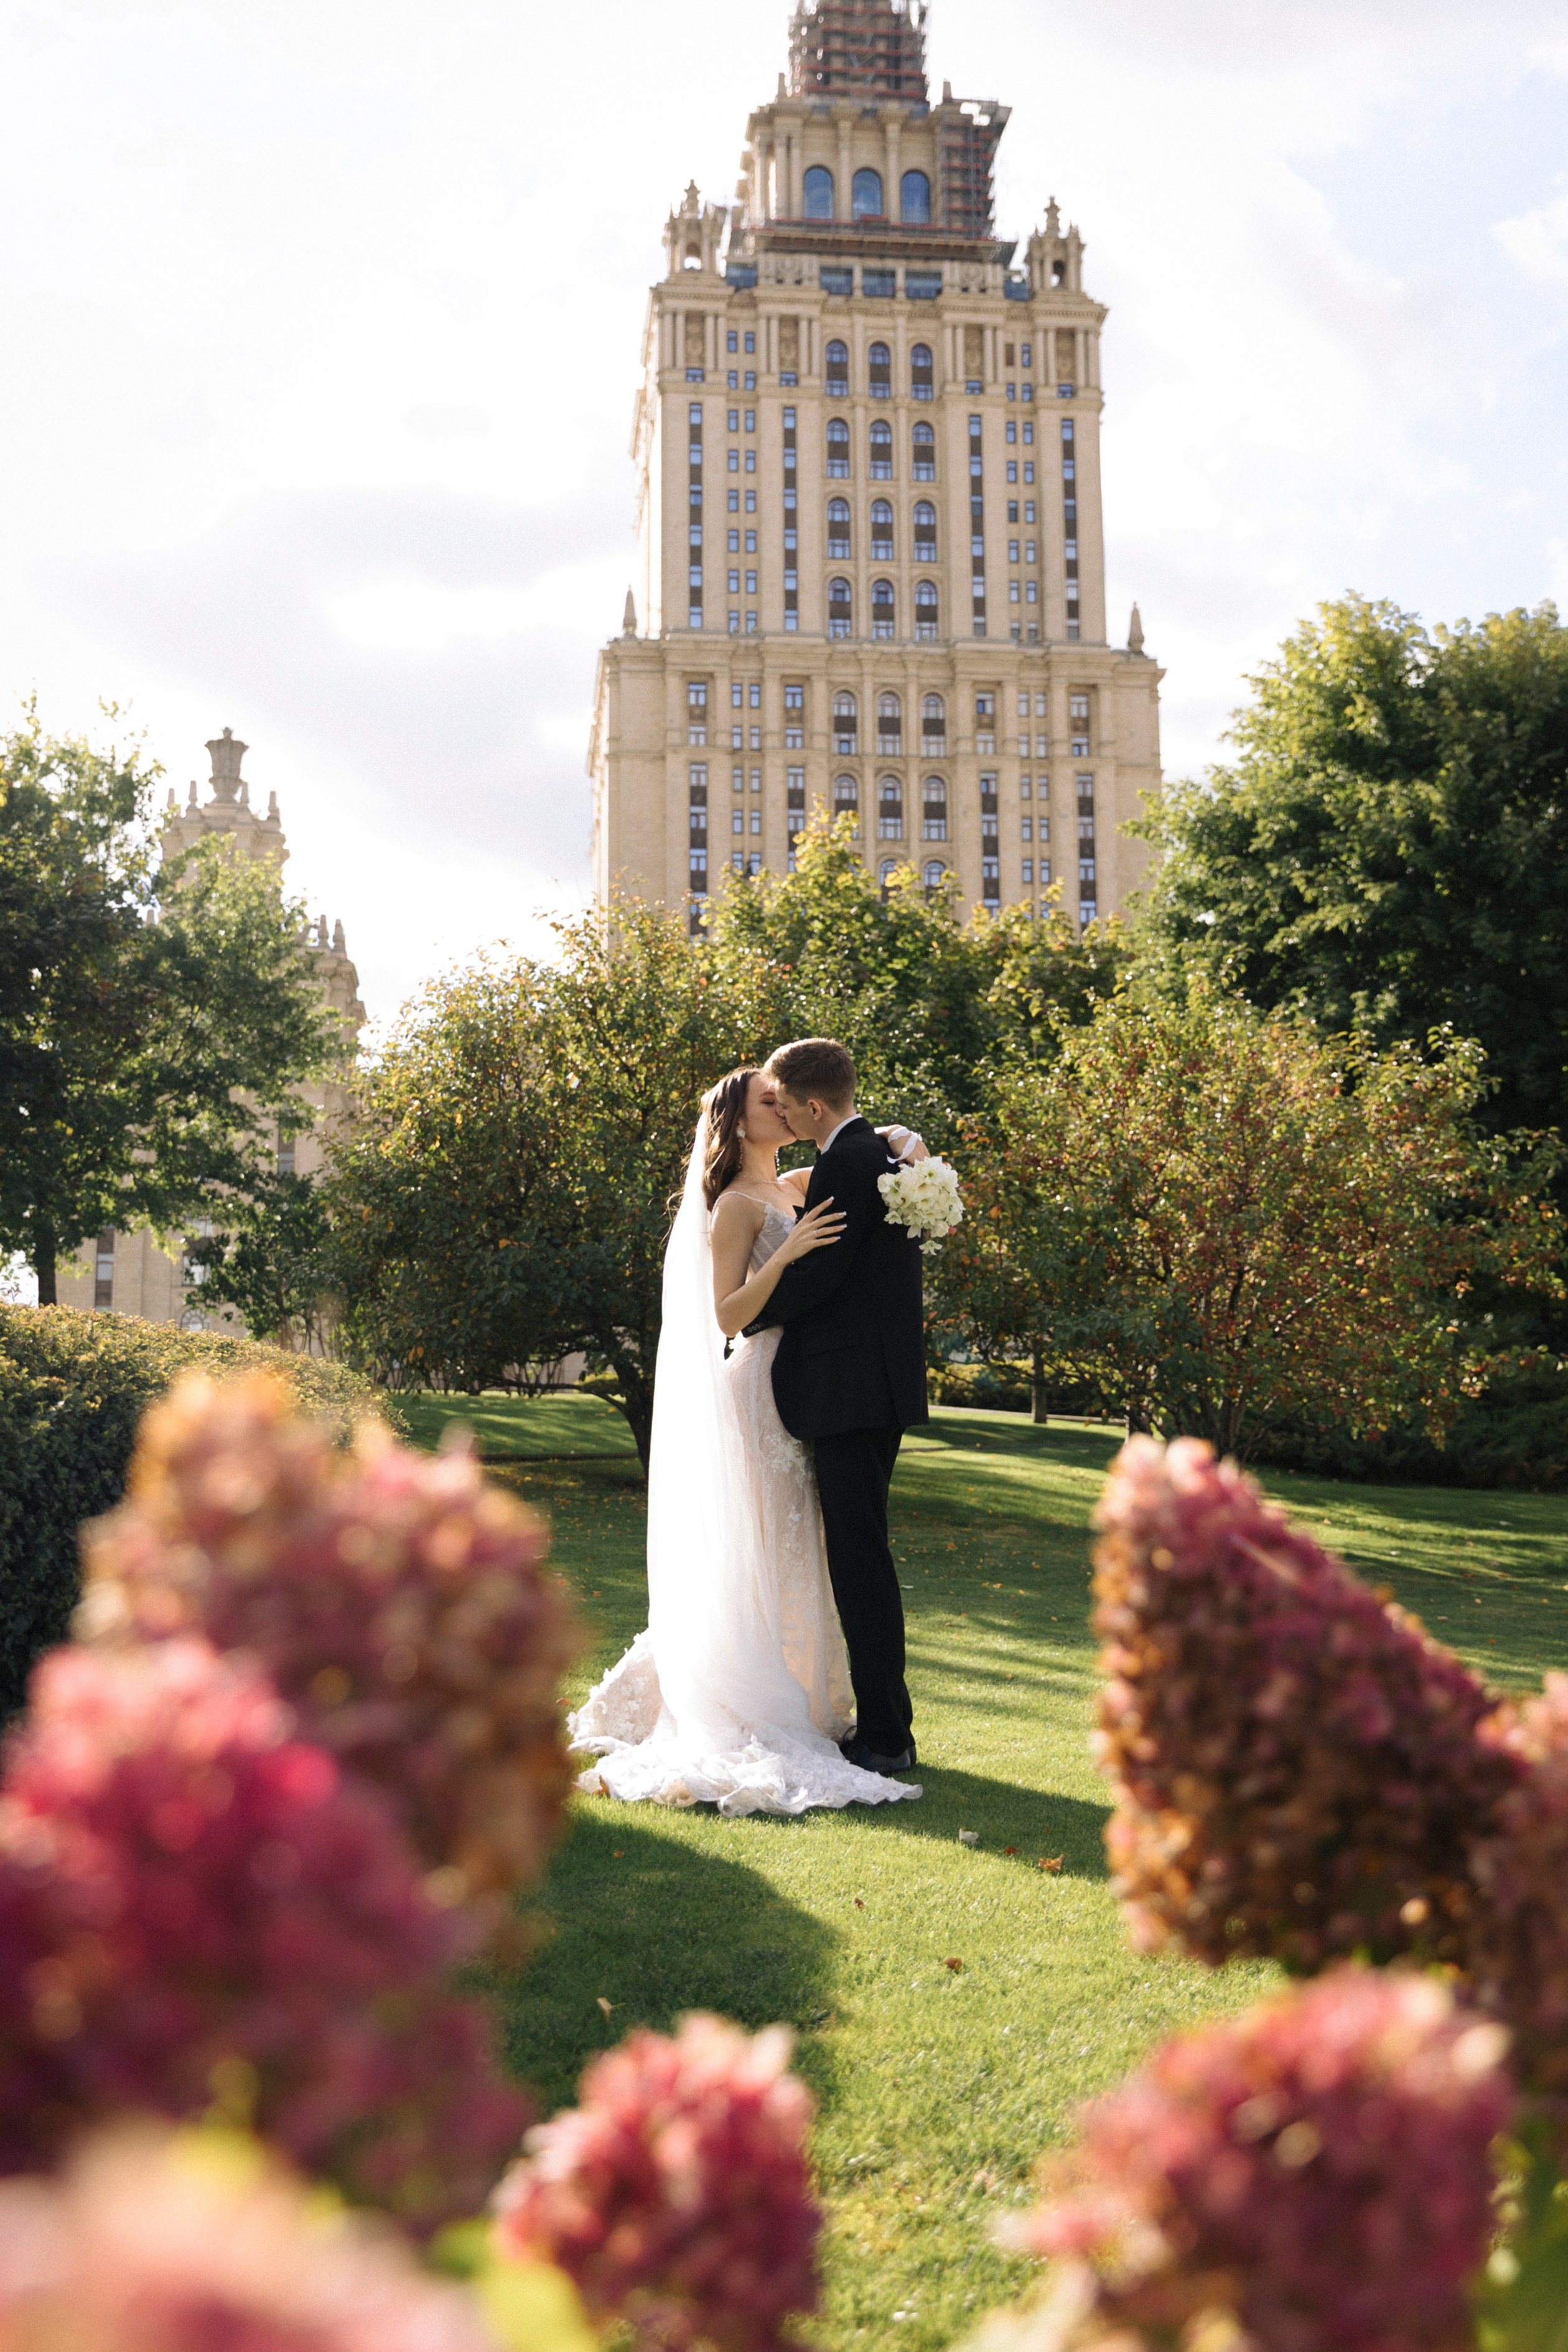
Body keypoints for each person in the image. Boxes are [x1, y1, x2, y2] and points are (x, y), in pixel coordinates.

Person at [567, 1062, 925, 1816]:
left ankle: (812, 1699)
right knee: (756, 1545)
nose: (783, 1108)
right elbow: (728, 1315)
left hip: (812, 1384)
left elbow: (859, 1156)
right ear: (737, 1122)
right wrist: (789, 1255)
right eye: (769, 1102)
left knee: (799, 1547)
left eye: (786, 1099)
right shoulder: (733, 1204)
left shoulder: (796, 1184)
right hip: (761, 1386)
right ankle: (743, 1694)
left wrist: (905, 1137)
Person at [749, 1037, 926, 1774]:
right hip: (878, 1385)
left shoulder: (846, 1162)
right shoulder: (877, 1153)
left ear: (815, 1106)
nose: (784, 1117)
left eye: (787, 1106)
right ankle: (889, 1725)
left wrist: (744, 1314)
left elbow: (821, 1275)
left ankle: (885, 1736)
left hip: (850, 1390)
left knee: (860, 1562)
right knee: (863, 1556)